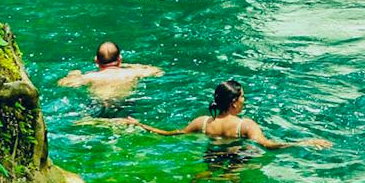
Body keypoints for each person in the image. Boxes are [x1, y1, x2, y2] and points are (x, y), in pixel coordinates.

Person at [124, 79, 330, 150]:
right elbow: (268, 145)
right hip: (236, 161)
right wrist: (304, 142)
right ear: (233, 102)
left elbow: (169, 134)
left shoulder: (203, 123)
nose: (244, 101)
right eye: (242, 97)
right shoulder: (245, 126)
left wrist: (140, 125)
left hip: (211, 159)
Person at [57, 40, 163, 98]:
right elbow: (158, 72)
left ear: (96, 60)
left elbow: (62, 83)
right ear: (120, 58)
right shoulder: (132, 73)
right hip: (124, 106)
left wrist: (73, 74)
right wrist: (131, 66)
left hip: (98, 107)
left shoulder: (90, 76)